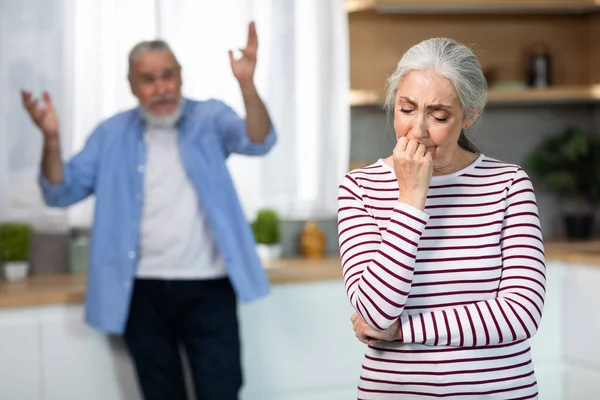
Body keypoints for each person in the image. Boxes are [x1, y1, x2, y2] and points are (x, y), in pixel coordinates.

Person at [21, 22, 275, 400]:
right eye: (148, 80)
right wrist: (51, 139)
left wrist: (247, 85)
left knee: (221, 390)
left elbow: (259, 141)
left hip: (210, 287)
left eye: (167, 76)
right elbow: (59, 192)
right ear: (132, 85)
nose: (161, 89)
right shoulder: (110, 134)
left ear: (180, 76)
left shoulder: (209, 117)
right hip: (141, 293)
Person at [337, 37, 545, 399]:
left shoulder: (508, 184)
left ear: (470, 114)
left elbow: (521, 314)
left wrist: (406, 331)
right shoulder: (360, 187)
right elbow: (375, 313)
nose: (417, 130)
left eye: (438, 115)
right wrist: (412, 198)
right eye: (406, 108)